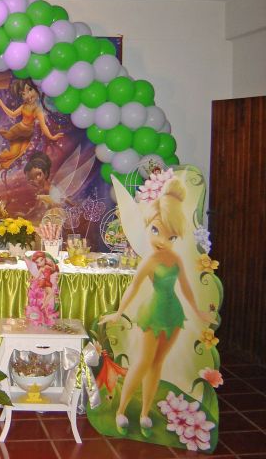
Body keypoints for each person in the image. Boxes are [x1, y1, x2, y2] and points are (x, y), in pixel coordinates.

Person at [99, 179, 215, 437]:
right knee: (142, 362)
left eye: (170, 236)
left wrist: (198, 311)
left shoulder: (175, 259)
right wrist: (119, 312)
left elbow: (185, 287)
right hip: (152, 314)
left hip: (173, 315)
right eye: (155, 230)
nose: (162, 240)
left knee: (157, 364)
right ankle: (121, 410)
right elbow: (133, 287)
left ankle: (144, 413)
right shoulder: (149, 261)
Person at [0, 79, 64, 180]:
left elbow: (44, 126)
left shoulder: (38, 110)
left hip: (27, 135)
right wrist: (1, 104)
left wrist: (52, 137)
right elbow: (12, 114)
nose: (28, 95)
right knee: (13, 153)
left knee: (15, 156)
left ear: (36, 89)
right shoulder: (24, 106)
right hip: (18, 131)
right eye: (23, 94)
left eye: (30, 90)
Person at [25, 251, 59, 326]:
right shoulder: (41, 269)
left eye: (41, 260)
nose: (40, 263)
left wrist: (53, 264)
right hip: (45, 282)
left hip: (48, 282)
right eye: (37, 262)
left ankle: (44, 309)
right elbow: (37, 276)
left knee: (47, 296)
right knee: (50, 293)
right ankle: (43, 306)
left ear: (44, 259)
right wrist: (32, 279)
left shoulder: (47, 267)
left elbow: (54, 269)